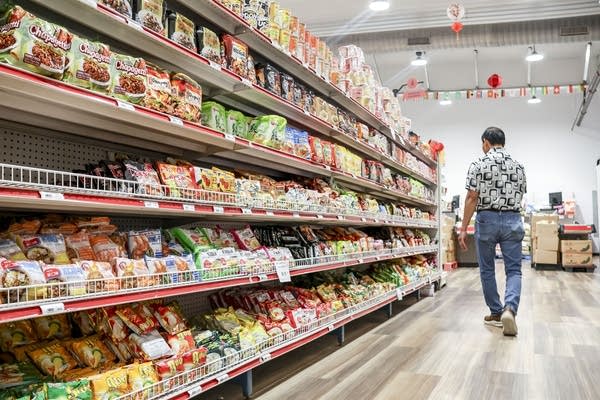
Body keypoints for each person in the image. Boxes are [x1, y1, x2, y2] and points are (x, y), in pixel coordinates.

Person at [458, 127, 527, 336]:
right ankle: (510, 309)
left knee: (487, 269)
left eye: (482, 144)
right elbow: (521, 195)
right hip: (513, 218)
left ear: (486, 142)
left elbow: (472, 197)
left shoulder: (478, 163)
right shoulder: (519, 166)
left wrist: (463, 228)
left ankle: (496, 313)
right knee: (514, 270)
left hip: (486, 218)